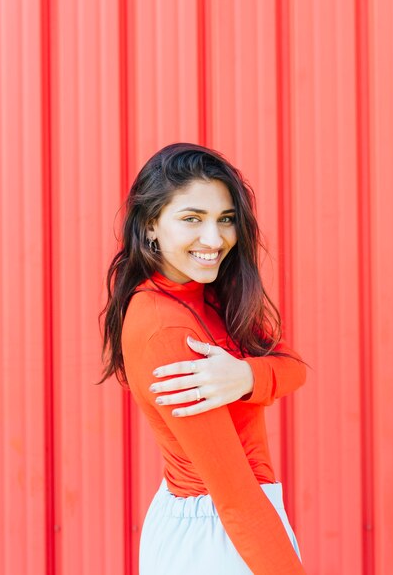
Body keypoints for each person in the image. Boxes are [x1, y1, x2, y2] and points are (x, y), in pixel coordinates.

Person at [100, 142, 307, 574]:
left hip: (240, 527)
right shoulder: (167, 330)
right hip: (219, 540)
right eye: (192, 219)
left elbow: (294, 369)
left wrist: (246, 377)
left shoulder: (210, 295)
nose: (214, 240)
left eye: (225, 219)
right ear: (151, 224)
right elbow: (234, 495)